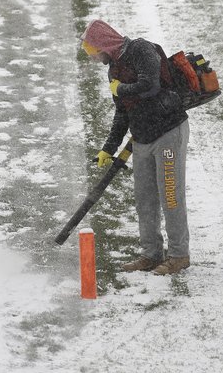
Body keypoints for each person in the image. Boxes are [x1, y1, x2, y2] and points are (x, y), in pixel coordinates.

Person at [81, 19, 191, 275]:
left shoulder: (141, 50)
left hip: (167, 132)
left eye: (93, 52)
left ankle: (178, 255)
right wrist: (108, 148)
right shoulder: (114, 70)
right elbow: (122, 113)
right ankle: (151, 254)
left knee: (171, 196)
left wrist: (122, 88)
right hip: (141, 138)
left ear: (104, 44)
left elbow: (150, 86)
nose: (94, 58)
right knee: (145, 200)